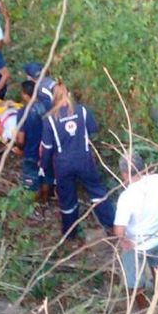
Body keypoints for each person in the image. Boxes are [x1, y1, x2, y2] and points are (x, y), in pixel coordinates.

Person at [40, 83, 115, 241]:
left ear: (53, 98)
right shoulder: (82, 111)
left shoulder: (49, 120)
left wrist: (45, 169)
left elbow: (47, 148)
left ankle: (70, 233)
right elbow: (93, 129)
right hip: (84, 159)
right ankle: (110, 224)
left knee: (67, 199)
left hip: (63, 164)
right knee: (96, 191)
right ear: (69, 93)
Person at [113, 153, 158, 308]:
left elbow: (119, 229)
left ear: (124, 174)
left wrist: (123, 240)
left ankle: (144, 309)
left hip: (137, 246)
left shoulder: (127, 197)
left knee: (133, 282)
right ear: (143, 167)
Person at [16, 80, 52, 211]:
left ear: (25, 95)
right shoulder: (47, 106)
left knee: (32, 181)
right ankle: (45, 201)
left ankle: (34, 208)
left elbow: (20, 138)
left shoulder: (23, 112)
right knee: (46, 177)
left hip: (31, 152)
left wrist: (19, 148)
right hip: (46, 151)